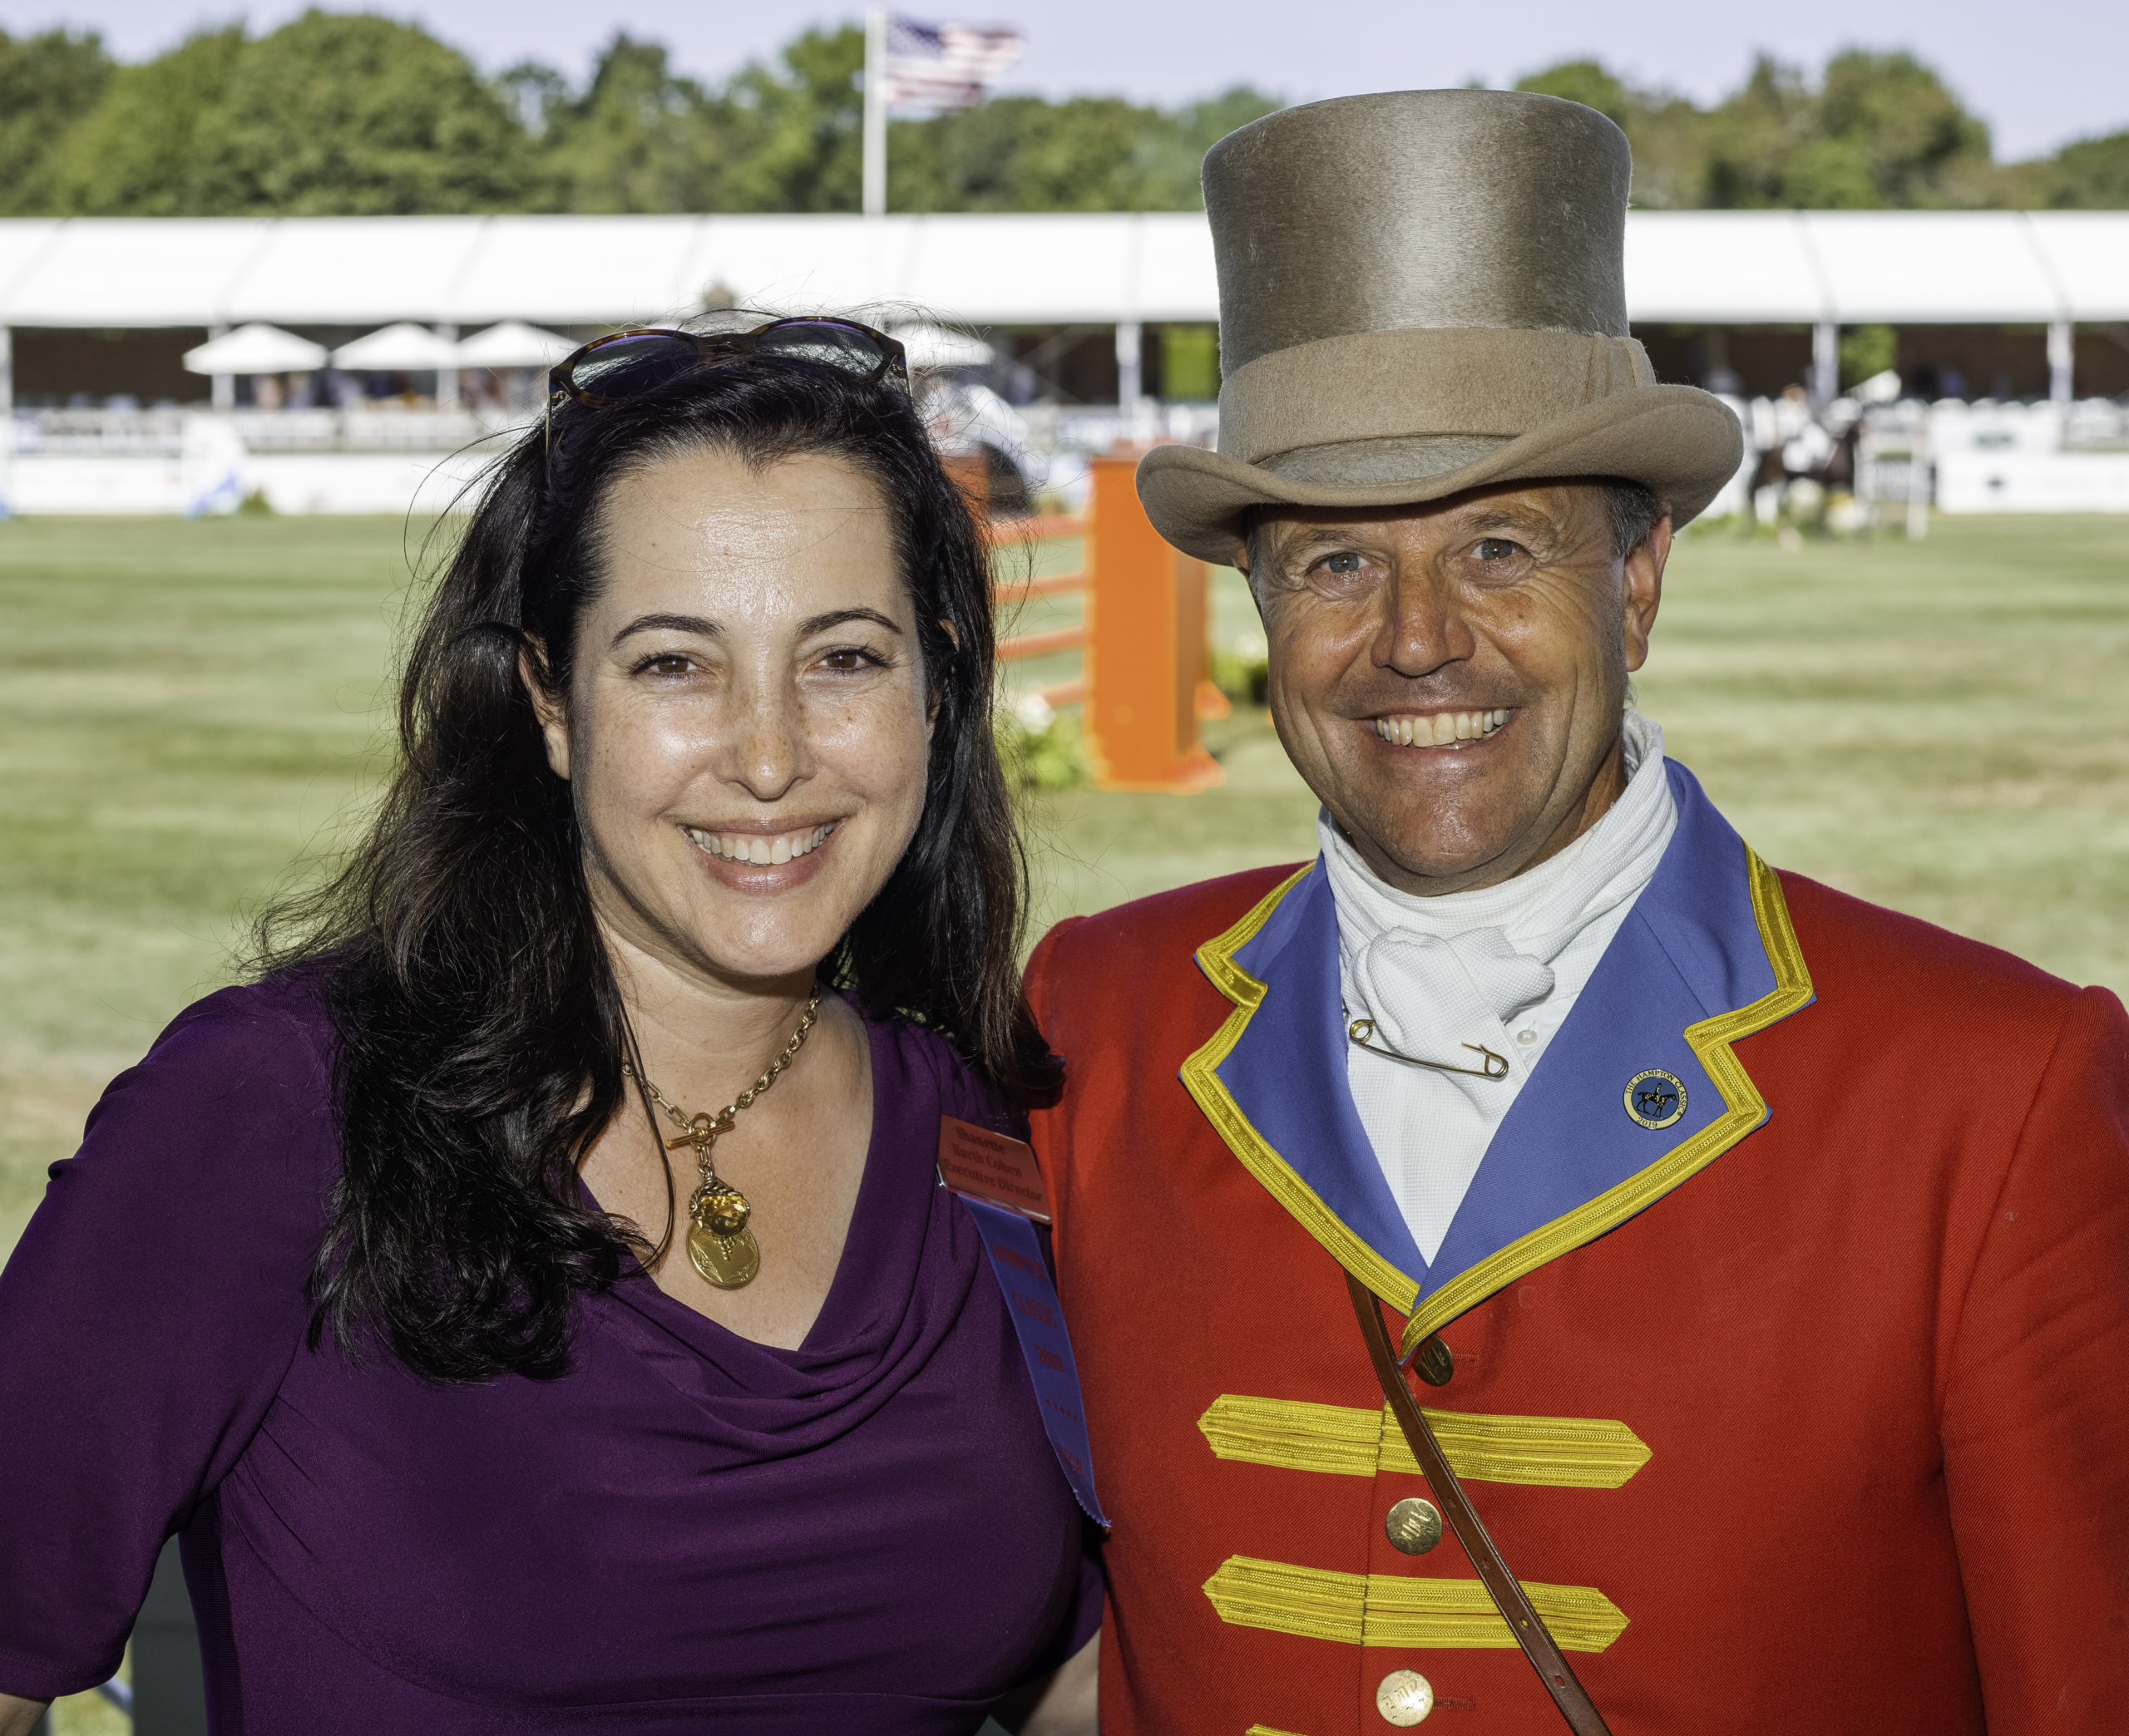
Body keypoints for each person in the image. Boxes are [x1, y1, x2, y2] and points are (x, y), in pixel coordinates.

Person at [1023, 92, 2129, 1733]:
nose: (1412, 640)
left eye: (1494, 549)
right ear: (1254, 604)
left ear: (1634, 581)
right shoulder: (1097, 1018)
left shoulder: (1990, 1084)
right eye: (1332, 564)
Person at [0, 320, 1100, 1734]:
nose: (769, 757)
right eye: (670, 667)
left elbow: (1076, 1670)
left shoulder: (983, 1132)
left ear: (935, 693)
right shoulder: (276, 1107)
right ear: (548, 699)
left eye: (842, 659)